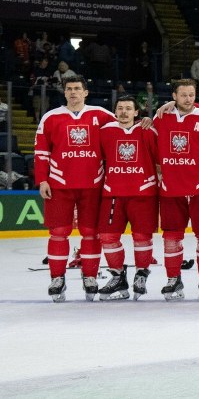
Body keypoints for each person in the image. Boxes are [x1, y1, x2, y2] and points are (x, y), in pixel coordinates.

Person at [33, 75, 115, 301]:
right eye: (69, 89)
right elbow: (41, 152)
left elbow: (127, 127)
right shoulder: (51, 117)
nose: (73, 92)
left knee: (90, 233)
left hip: (93, 185)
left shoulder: (101, 115)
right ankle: (57, 278)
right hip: (59, 184)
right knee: (58, 233)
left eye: (77, 89)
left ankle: (90, 277)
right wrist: (43, 179)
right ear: (64, 92)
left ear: (85, 92)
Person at [152, 79, 199, 300]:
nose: (188, 99)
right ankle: (173, 279)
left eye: (191, 94)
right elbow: (152, 145)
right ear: (174, 96)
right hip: (171, 187)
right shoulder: (161, 117)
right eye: (183, 95)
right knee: (172, 236)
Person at [95, 95, 159, 300]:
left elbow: (160, 159)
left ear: (136, 112)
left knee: (142, 238)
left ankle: (141, 274)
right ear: (115, 111)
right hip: (113, 193)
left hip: (143, 193)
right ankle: (117, 276)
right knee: (107, 236)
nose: (123, 112)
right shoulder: (104, 132)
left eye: (128, 108)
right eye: (120, 108)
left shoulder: (148, 131)